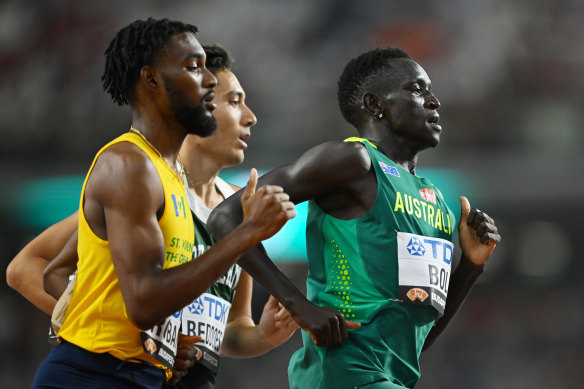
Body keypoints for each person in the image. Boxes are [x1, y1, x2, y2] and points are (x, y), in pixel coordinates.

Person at [7, 42, 300, 388]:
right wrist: (134, 340)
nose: (251, 116)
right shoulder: (146, 188)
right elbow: (25, 267)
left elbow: (231, 327)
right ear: (197, 109)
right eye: (234, 102)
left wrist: (264, 336)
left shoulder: (238, 205)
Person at [208, 46, 501, 388]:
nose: (434, 101)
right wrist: (299, 305)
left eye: (431, 91)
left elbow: (416, 342)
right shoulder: (353, 160)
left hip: (389, 379)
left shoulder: (433, 199)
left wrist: (469, 266)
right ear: (375, 104)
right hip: (343, 373)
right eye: (417, 90)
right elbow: (225, 218)